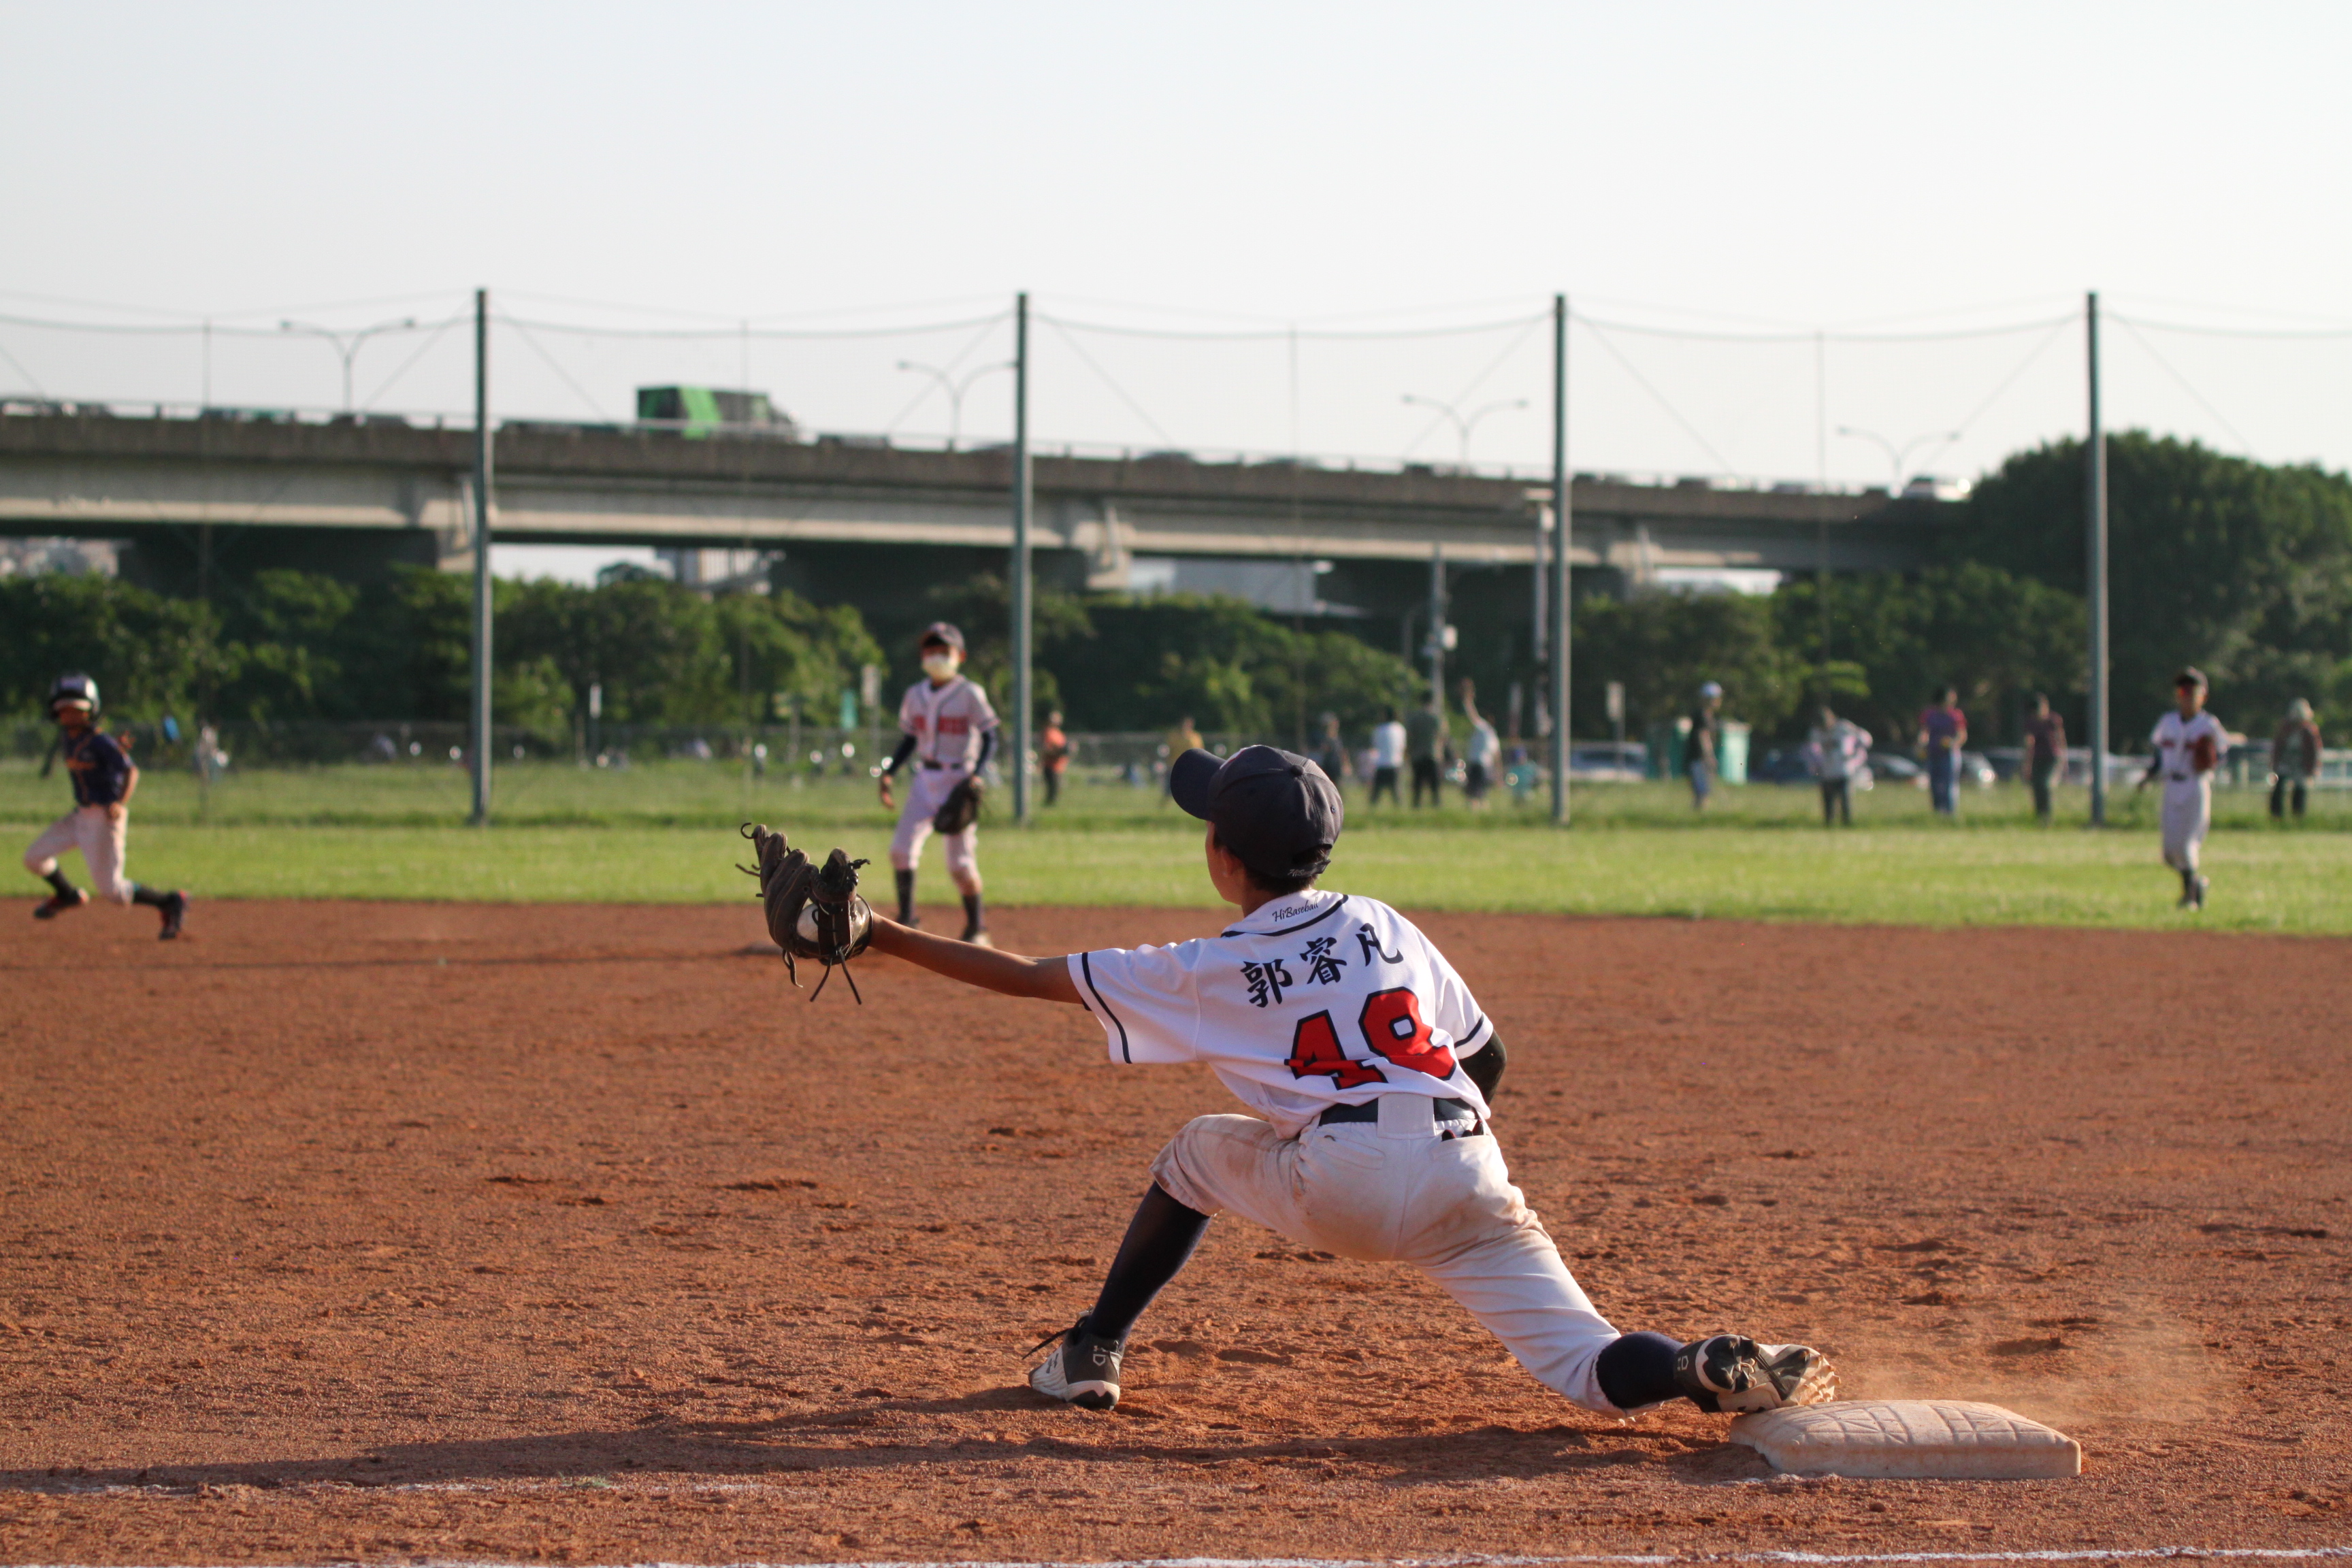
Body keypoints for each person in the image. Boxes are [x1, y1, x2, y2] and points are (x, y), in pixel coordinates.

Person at [847, 743, 1836, 1420]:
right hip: (1466, 1163)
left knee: (1194, 1154)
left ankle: (1091, 1352)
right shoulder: (1384, 924)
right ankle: (1693, 1366)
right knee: (1589, 1364)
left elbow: (1028, 976)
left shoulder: (1212, 964)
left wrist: (877, 932)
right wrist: (1433, 1146)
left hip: (1343, 1177)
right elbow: (1486, 1056)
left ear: (1222, 857)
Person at [23, 673, 188, 938]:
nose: (70, 715)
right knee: (33, 858)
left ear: (91, 711)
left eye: (77, 710)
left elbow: (131, 771)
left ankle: (170, 901)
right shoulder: (68, 737)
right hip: (80, 816)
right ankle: (67, 894)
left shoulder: (100, 741)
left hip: (105, 818)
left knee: (113, 892)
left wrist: (120, 802)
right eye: (64, 710)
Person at [877, 622, 998, 945]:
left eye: (944, 650)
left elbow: (990, 736)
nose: (936, 656)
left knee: (960, 865)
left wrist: (977, 774)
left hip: (959, 780)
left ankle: (977, 928)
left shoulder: (969, 693)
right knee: (901, 851)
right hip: (925, 780)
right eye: (931, 650)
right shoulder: (914, 695)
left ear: (961, 656)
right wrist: (889, 772)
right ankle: (907, 921)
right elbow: (909, 738)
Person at [2136, 668, 2227, 909]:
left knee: (2187, 846)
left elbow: (2222, 753)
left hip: (2195, 785)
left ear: (2203, 696)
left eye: (2191, 691)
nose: (2186, 696)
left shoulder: (2208, 725)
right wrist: (2148, 777)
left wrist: (2211, 760)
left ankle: (2190, 897)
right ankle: (2195, 883)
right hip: (2171, 786)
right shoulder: (2168, 722)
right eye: (2182, 691)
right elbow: (2158, 755)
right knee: (2169, 852)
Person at [1803, 704, 1870, 828]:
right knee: (1828, 805)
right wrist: (1816, 765)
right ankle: (1829, 827)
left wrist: (1855, 756)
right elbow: (1810, 750)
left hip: (1844, 772)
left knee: (1845, 804)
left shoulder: (1843, 727)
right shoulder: (1816, 732)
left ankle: (1847, 826)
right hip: (1827, 773)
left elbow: (1865, 739)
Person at [1918, 687, 1967, 817]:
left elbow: (1962, 735)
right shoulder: (1930, 714)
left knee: (1949, 784)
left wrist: (1952, 743)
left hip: (1950, 754)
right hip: (1933, 753)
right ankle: (1938, 811)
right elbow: (1924, 732)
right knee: (1934, 784)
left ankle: (1950, 812)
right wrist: (1922, 744)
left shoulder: (1956, 715)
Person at [2270, 698, 2321, 821]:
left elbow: (2315, 751)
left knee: (2300, 789)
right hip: (2286, 761)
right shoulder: (2285, 728)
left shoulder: (2310, 730)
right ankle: (2276, 816)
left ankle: (2298, 817)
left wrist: (2313, 767)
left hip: (2302, 763)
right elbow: (2278, 746)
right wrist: (2275, 763)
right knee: (2279, 787)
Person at [2023, 694, 2067, 823]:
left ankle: (2048, 815)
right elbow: (2029, 744)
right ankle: (2039, 815)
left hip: (2052, 757)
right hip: (2037, 757)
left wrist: (2064, 759)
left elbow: (2061, 739)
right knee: (2036, 785)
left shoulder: (2053, 720)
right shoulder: (2031, 723)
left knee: (2045, 784)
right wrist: (2027, 764)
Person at [1459, 679, 1499, 811]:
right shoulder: (1493, 735)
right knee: (1480, 793)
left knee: (1474, 793)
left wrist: (1467, 699)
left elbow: (1472, 715)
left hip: (1477, 764)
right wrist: (1498, 772)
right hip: (1485, 766)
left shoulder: (1483, 728)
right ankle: (1482, 812)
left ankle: (1475, 812)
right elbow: (1496, 755)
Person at [1404, 698, 1447, 808]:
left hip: (1418, 755)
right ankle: (1436, 806)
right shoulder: (1436, 717)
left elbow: (1410, 737)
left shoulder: (1414, 717)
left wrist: (1408, 752)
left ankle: (1416, 806)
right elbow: (1442, 736)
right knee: (1435, 786)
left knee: (1417, 785)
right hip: (1432, 754)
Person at [1687, 682, 1723, 811]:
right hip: (1700, 758)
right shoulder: (1703, 715)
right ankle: (1700, 815)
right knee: (1703, 793)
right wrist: (1709, 756)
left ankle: (1698, 815)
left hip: (1697, 757)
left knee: (1701, 792)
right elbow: (1703, 736)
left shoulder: (1705, 714)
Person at [1367, 706, 1405, 807]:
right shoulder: (1400, 729)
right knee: (1396, 792)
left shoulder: (1379, 729)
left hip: (1382, 763)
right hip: (1395, 763)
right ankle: (1398, 808)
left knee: (1376, 793)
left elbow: (1375, 745)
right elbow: (1402, 746)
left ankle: (1372, 808)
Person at [1039, 710, 1071, 808]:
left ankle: (1050, 806)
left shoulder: (1059, 733)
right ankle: (1048, 806)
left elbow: (1063, 747)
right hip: (1050, 765)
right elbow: (1046, 748)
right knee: (1052, 788)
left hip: (1059, 765)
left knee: (1056, 788)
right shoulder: (1048, 732)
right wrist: (1057, 752)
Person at [1312, 712, 1350, 794]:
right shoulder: (1323, 737)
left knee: (1337, 786)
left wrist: (1346, 764)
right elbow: (1321, 750)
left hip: (1336, 765)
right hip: (1327, 764)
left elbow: (1342, 751)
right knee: (1326, 785)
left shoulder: (1337, 738)